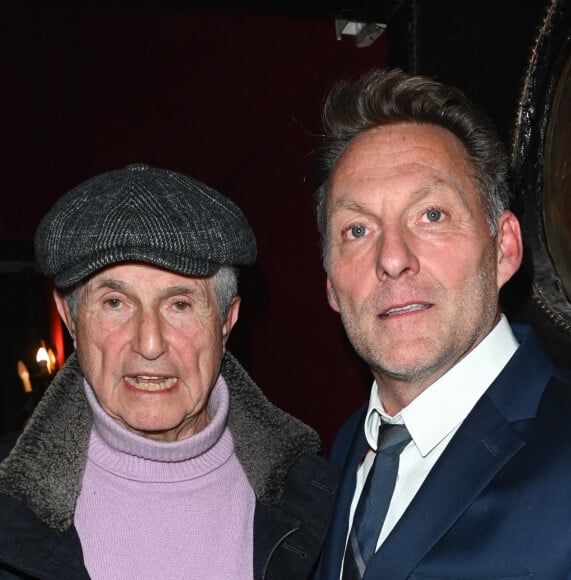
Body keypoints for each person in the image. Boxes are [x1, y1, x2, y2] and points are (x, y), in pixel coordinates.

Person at [0, 163, 339, 580]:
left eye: (179, 304)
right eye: (114, 303)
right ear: (69, 318)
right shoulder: (9, 501)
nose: (149, 343)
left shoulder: (320, 496)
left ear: (225, 321)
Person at [311, 69, 571, 579]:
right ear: (330, 282)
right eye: (358, 229)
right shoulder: (344, 449)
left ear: (504, 247)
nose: (392, 258)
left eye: (431, 215)